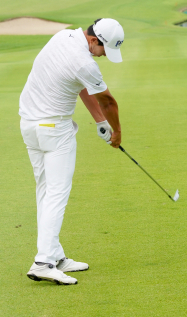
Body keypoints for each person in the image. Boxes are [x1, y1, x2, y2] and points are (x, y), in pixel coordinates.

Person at [19, 18, 125, 285]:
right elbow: (108, 101)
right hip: (55, 129)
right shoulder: (85, 62)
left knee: (45, 191)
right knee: (57, 193)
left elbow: (79, 86)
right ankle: (43, 262)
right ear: (93, 40)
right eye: (104, 49)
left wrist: (100, 122)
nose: (102, 56)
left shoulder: (63, 37)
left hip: (30, 125)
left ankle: (54, 254)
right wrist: (116, 130)